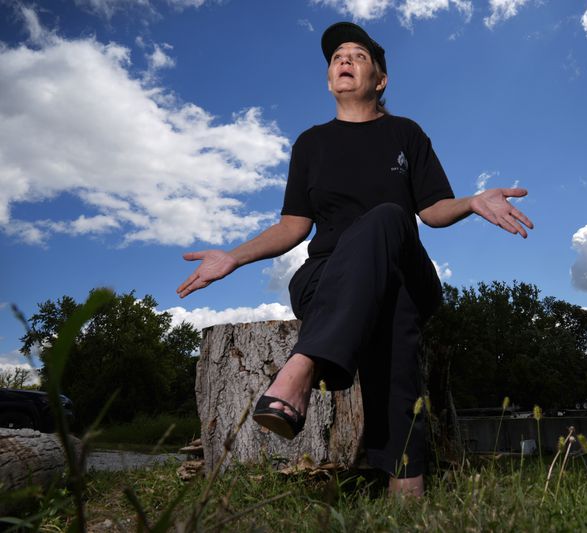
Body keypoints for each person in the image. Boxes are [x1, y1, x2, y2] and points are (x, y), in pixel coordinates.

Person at [176, 21, 533, 497]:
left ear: (380, 80)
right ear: (329, 78)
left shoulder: (406, 134)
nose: (344, 60)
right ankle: (408, 485)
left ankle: (301, 368)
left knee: (388, 222)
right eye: (337, 56)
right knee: (393, 314)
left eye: (358, 56)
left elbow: (431, 212)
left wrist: (470, 202)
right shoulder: (311, 143)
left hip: (406, 268)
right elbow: (293, 227)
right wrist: (233, 258)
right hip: (326, 280)